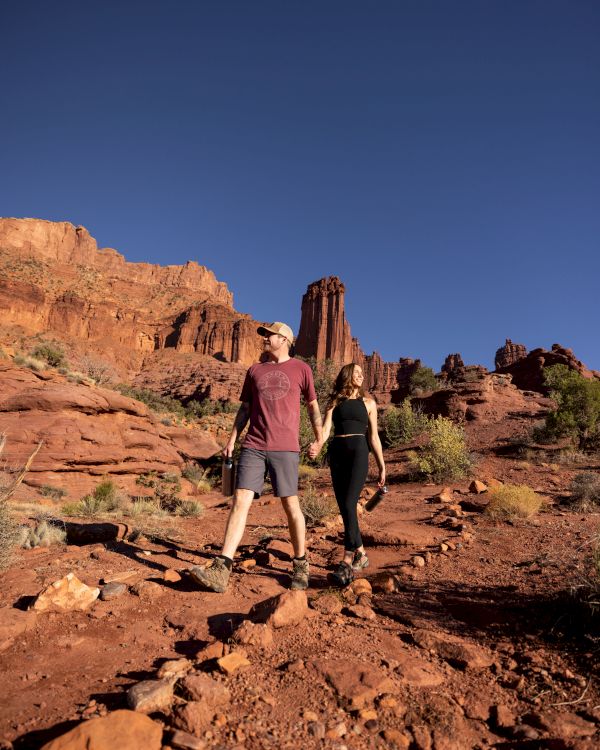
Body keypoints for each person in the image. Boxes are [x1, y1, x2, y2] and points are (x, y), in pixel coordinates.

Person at [190, 322, 323, 593]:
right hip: (254, 445)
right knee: (240, 501)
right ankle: (222, 567)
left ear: (284, 339)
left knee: (290, 505)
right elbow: (246, 408)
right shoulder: (255, 370)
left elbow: (312, 406)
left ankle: (300, 563)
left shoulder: (301, 369)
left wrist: (320, 439)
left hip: (286, 447)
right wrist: (232, 439)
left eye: (269, 334)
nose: (264, 338)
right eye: (264, 334)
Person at [316, 363, 385, 586]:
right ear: (347, 375)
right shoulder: (335, 401)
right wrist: (317, 444)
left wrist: (382, 465)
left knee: (349, 502)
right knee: (345, 508)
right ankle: (361, 554)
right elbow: (326, 431)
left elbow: (373, 437)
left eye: (362, 373)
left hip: (358, 454)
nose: (361, 376)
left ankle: (346, 562)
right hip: (336, 454)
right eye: (356, 372)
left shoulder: (369, 403)